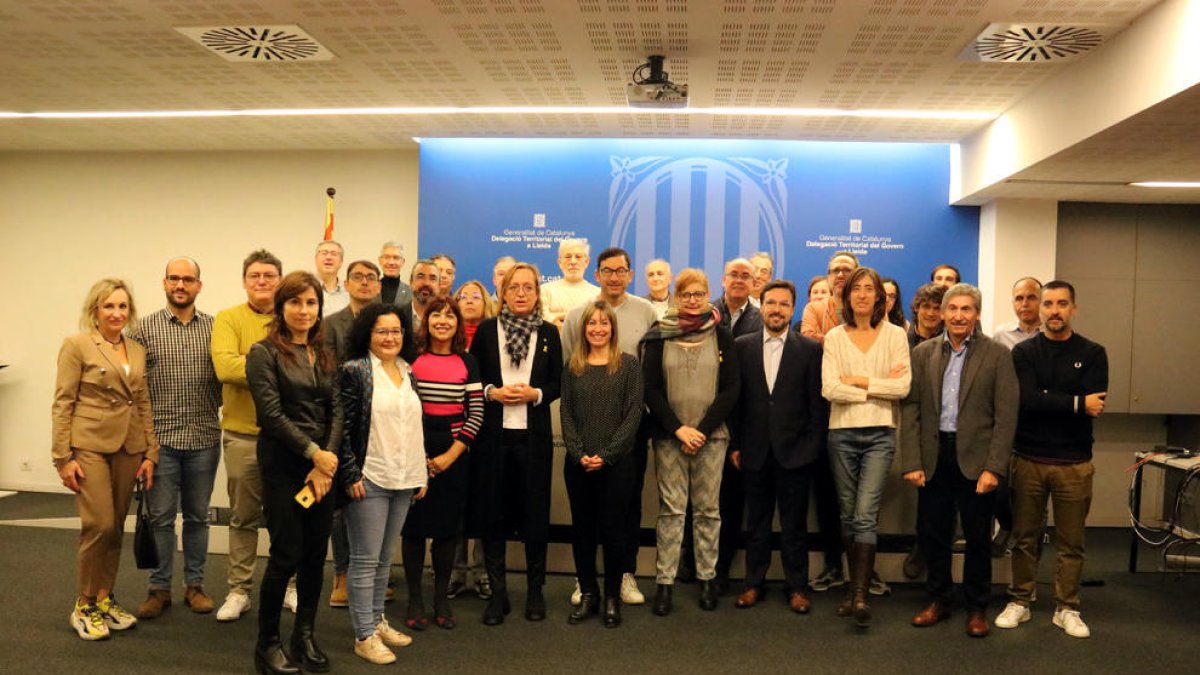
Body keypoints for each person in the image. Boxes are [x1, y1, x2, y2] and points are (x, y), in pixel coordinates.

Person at [900, 283, 1018, 638]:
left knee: (977, 537)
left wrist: (994, 467)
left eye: (967, 309)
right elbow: (912, 409)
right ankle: (938, 600)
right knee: (933, 534)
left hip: (976, 459)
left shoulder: (997, 355)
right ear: (942, 313)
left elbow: (1006, 415)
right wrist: (912, 461)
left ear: (977, 314)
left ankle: (977, 606)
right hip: (935, 456)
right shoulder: (923, 353)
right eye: (952, 309)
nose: (958, 316)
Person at [995, 280, 1107, 639]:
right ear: (1040, 310)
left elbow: (1096, 404)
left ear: (1073, 308)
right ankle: (1020, 601)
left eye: (1061, 304)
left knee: (1071, 542)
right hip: (1028, 458)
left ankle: (1067, 607)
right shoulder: (1023, 353)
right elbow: (1027, 400)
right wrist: (1075, 402)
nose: (1054, 311)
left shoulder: (1093, 352)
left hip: (1074, 463)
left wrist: (1050, 400)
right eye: (1048, 304)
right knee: (1025, 538)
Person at [246, 271, 343, 675]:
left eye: (311, 303)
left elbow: (337, 409)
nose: (304, 311)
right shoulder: (263, 352)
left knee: (315, 557)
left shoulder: (323, 351)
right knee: (285, 556)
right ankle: (268, 645)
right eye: (296, 302)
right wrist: (313, 454)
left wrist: (327, 461)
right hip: (284, 465)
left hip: (322, 469)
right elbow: (270, 415)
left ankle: (304, 635)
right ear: (281, 307)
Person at [54, 278, 158, 641]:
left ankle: (104, 598)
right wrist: (62, 458)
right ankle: (83, 605)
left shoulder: (137, 349)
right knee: (98, 525)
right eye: (109, 306)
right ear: (95, 310)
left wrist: (151, 453)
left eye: (122, 306)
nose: (116, 313)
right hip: (90, 446)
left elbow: (142, 403)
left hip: (130, 447)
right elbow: (63, 402)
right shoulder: (77, 345)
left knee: (115, 526)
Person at [560, 247, 657, 607]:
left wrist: (611, 451)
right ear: (597, 273)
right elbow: (569, 391)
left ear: (630, 274)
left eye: (621, 270)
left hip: (627, 432)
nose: (614, 276)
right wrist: (579, 450)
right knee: (584, 521)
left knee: (626, 509)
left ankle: (623, 576)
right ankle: (585, 583)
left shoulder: (645, 311)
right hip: (583, 439)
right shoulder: (577, 314)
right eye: (607, 270)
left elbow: (645, 379)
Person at [642, 268, 740, 616]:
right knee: (671, 511)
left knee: (708, 511)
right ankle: (664, 583)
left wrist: (702, 428)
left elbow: (731, 388)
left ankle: (707, 578)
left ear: (708, 295)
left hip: (712, 438)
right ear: (677, 297)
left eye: (700, 294)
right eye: (686, 294)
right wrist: (678, 429)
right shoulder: (659, 334)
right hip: (670, 437)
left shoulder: (722, 335)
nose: (693, 300)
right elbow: (650, 387)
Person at [469, 262, 563, 625]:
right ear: (504, 292)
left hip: (534, 439)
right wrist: (493, 392)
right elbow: (473, 379)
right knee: (493, 516)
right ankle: (498, 595)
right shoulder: (487, 330)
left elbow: (558, 383)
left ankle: (535, 592)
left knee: (534, 515)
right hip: (493, 438)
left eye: (528, 287)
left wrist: (536, 393)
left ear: (538, 293)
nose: (521, 293)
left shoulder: (549, 334)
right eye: (514, 287)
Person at [131, 258, 222, 620]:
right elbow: (135, 388)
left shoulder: (216, 328)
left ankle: (195, 585)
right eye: (174, 278)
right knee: (162, 518)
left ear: (199, 285)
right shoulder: (143, 330)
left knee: (199, 517)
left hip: (204, 437)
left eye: (188, 279)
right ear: (164, 283)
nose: (180, 284)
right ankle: (159, 588)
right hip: (160, 442)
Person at [337, 303, 427, 664]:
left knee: (385, 560)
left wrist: (420, 473)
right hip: (369, 476)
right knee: (364, 559)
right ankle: (363, 635)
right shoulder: (355, 370)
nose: (390, 338)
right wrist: (349, 472)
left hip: (404, 477)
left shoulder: (407, 370)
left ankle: (376, 621)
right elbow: (342, 427)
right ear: (367, 335)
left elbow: (412, 426)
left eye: (396, 331)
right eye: (381, 331)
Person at [821, 266, 911, 628]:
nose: (861, 294)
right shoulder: (833, 337)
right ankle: (854, 588)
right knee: (847, 515)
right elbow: (830, 389)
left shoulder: (895, 336)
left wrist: (856, 380)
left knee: (864, 514)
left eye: (868, 289)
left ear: (879, 297)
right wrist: (877, 385)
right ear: (847, 296)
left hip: (880, 434)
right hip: (841, 433)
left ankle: (858, 596)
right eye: (855, 288)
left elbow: (902, 388)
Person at [730, 280, 826, 615]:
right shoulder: (741, 345)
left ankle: (797, 587)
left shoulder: (810, 350)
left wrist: (811, 449)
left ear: (793, 309)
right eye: (771, 303)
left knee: (794, 527)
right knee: (755, 524)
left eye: (784, 304)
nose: (776, 310)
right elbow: (736, 403)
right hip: (753, 451)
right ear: (762, 304)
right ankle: (753, 584)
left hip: (795, 454)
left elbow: (817, 406)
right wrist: (736, 445)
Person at [401, 296, 485, 632]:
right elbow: (403, 411)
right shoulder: (411, 359)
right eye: (436, 314)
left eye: (450, 316)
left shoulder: (469, 361)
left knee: (448, 530)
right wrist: (417, 456)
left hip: (454, 452)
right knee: (414, 529)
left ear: (457, 324)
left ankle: (440, 598)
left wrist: (451, 455)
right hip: (413, 450)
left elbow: (476, 412)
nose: (442, 321)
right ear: (427, 320)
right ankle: (415, 599)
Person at [561, 301, 645, 628]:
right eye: (592, 323)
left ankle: (612, 597)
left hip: (617, 464)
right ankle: (589, 596)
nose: (598, 328)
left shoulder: (628, 366)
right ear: (583, 329)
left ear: (613, 328)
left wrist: (608, 455)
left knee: (613, 532)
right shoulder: (573, 366)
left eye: (604, 323)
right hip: (578, 463)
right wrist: (578, 451)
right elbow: (566, 413)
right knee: (582, 531)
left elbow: (633, 414)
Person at [211, 248, 282, 622]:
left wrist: (252, 362)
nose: (262, 281)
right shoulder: (228, 318)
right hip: (243, 435)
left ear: (279, 281)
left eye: (269, 275)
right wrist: (276, 367)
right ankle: (239, 590)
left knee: (287, 517)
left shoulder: (292, 317)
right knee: (243, 518)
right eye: (255, 275)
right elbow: (225, 367)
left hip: (286, 438)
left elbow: (306, 366)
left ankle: (289, 585)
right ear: (244, 280)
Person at [320, 259, 383, 609]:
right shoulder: (331, 325)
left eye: (370, 278)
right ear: (346, 283)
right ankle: (342, 574)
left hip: (379, 424)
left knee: (373, 499)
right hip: (343, 419)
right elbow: (327, 373)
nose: (364, 282)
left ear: (378, 285)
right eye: (357, 277)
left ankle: (370, 574)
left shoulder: (387, 322)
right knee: (343, 503)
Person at [797, 252, 858, 595]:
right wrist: (844, 345)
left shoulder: (868, 311)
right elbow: (808, 342)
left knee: (859, 499)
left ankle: (861, 570)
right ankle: (834, 564)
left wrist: (830, 341)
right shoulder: (815, 308)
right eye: (835, 270)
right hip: (821, 410)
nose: (839, 275)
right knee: (826, 495)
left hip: (856, 412)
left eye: (846, 269)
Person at [447, 279, 497, 601]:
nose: (468, 300)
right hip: (450, 434)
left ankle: (480, 573)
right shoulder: (446, 339)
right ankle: (454, 572)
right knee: (454, 505)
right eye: (462, 296)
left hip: (487, 430)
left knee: (483, 503)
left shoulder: (493, 337)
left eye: (475, 295)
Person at [540, 238, 599, 326]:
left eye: (578, 257)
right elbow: (540, 317)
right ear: (560, 262)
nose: (573, 261)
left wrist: (559, 317)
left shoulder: (597, 293)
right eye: (568, 257)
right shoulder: (545, 290)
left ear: (586, 261)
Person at [993, 276, 1042, 350]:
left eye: (1031, 297)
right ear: (1013, 303)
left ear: (1042, 301)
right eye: (1019, 298)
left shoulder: (1052, 333)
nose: (1024, 304)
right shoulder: (1001, 335)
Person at [315, 240, 349, 316]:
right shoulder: (306, 288)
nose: (328, 257)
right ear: (316, 259)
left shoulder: (349, 291)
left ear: (341, 262)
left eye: (334, 254)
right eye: (324, 253)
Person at [908, 283, 946, 349]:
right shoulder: (903, 339)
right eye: (926, 306)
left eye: (937, 308)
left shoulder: (950, 342)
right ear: (916, 308)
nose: (930, 313)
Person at [379, 241, 412, 307]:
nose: (391, 262)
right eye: (387, 257)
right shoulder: (370, 290)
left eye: (396, 258)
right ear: (380, 261)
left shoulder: (411, 292)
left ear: (402, 262)